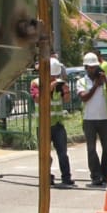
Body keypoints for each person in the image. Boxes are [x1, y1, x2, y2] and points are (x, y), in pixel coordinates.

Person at [30, 57, 74, 187]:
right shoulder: (36, 83)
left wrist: (66, 91)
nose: (55, 78)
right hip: (43, 125)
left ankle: (66, 177)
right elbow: (38, 99)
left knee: (63, 153)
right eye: (53, 76)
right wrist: (50, 87)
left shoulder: (59, 84)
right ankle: (46, 176)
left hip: (58, 124)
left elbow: (66, 100)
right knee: (45, 154)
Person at [77, 51, 107, 186]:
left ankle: (106, 174)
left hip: (104, 119)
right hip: (89, 120)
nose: (94, 69)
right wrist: (95, 86)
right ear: (86, 68)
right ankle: (96, 175)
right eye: (91, 67)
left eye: (95, 66)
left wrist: (105, 81)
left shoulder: (105, 79)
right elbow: (84, 97)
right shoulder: (81, 81)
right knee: (91, 149)